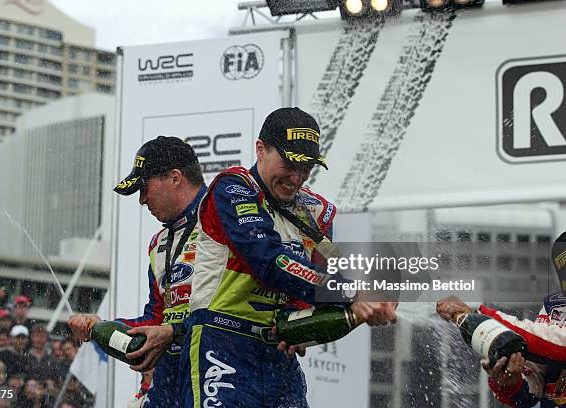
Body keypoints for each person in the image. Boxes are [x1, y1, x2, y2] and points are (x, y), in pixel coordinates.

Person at [179, 107, 398, 407]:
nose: (296, 177)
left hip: (278, 356)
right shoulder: (233, 188)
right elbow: (269, 261)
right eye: (289, 162)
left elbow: (310, 292)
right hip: (223, 342)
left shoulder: (317, 212)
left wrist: (300, 325)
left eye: (307, 167)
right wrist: (352, 293)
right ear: (260, 149)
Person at [68, 136, 206, 408]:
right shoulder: (159, 244)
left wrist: (175, 331)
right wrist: (99, 328)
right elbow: (155, 318)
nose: (142, 200)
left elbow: (245, 308)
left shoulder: (224, 220)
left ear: (175, 178)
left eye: (145, 188)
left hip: (221, 371)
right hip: (173, 379)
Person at [437, 231, 566, 407]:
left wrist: (480, 316)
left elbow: (554, 343)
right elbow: (535, 375)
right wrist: (512, 382)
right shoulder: (557, 307)